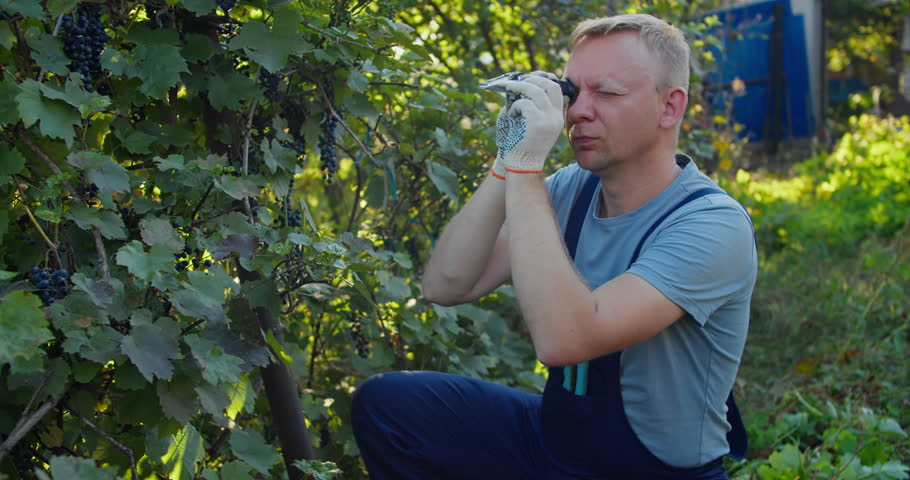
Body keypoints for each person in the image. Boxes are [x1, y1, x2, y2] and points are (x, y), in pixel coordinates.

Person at [350, 13, 757, 480]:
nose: (579, 111)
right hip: (557, 442)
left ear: (670, 107)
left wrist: (526, 172)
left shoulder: (711, 225)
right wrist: (508, 158)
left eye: (606, 93)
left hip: (652, 471)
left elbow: (567, 340)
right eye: (572, 92)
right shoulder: (572, 189)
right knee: (389, 405)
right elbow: (446, 284)